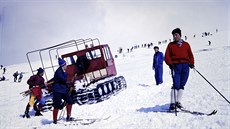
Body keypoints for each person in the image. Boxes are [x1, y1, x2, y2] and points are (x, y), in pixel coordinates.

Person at [164, 28, 195, 111]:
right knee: (176, 84)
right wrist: (170, 63)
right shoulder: (170, 45)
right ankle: (172, 103)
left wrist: (191, 63)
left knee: (182, 84)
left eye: (176, 34)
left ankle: (178, 102)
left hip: (185, 66)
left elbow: (190, 55)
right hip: (176, 66)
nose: (174, 36)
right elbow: (166, 56)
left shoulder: (186, 44)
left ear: (180, 35)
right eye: (173, 35)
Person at [52, 58, 73, 124]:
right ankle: (55, 120)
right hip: (57, 90)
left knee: (69, 101)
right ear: (62, 65)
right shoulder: (58, 72)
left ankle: (68, 116)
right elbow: (63, 79)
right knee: (57, 105)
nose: (66, 66)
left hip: (63, 89)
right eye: (65, 65)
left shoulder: (62, 71)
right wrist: (66, 74)